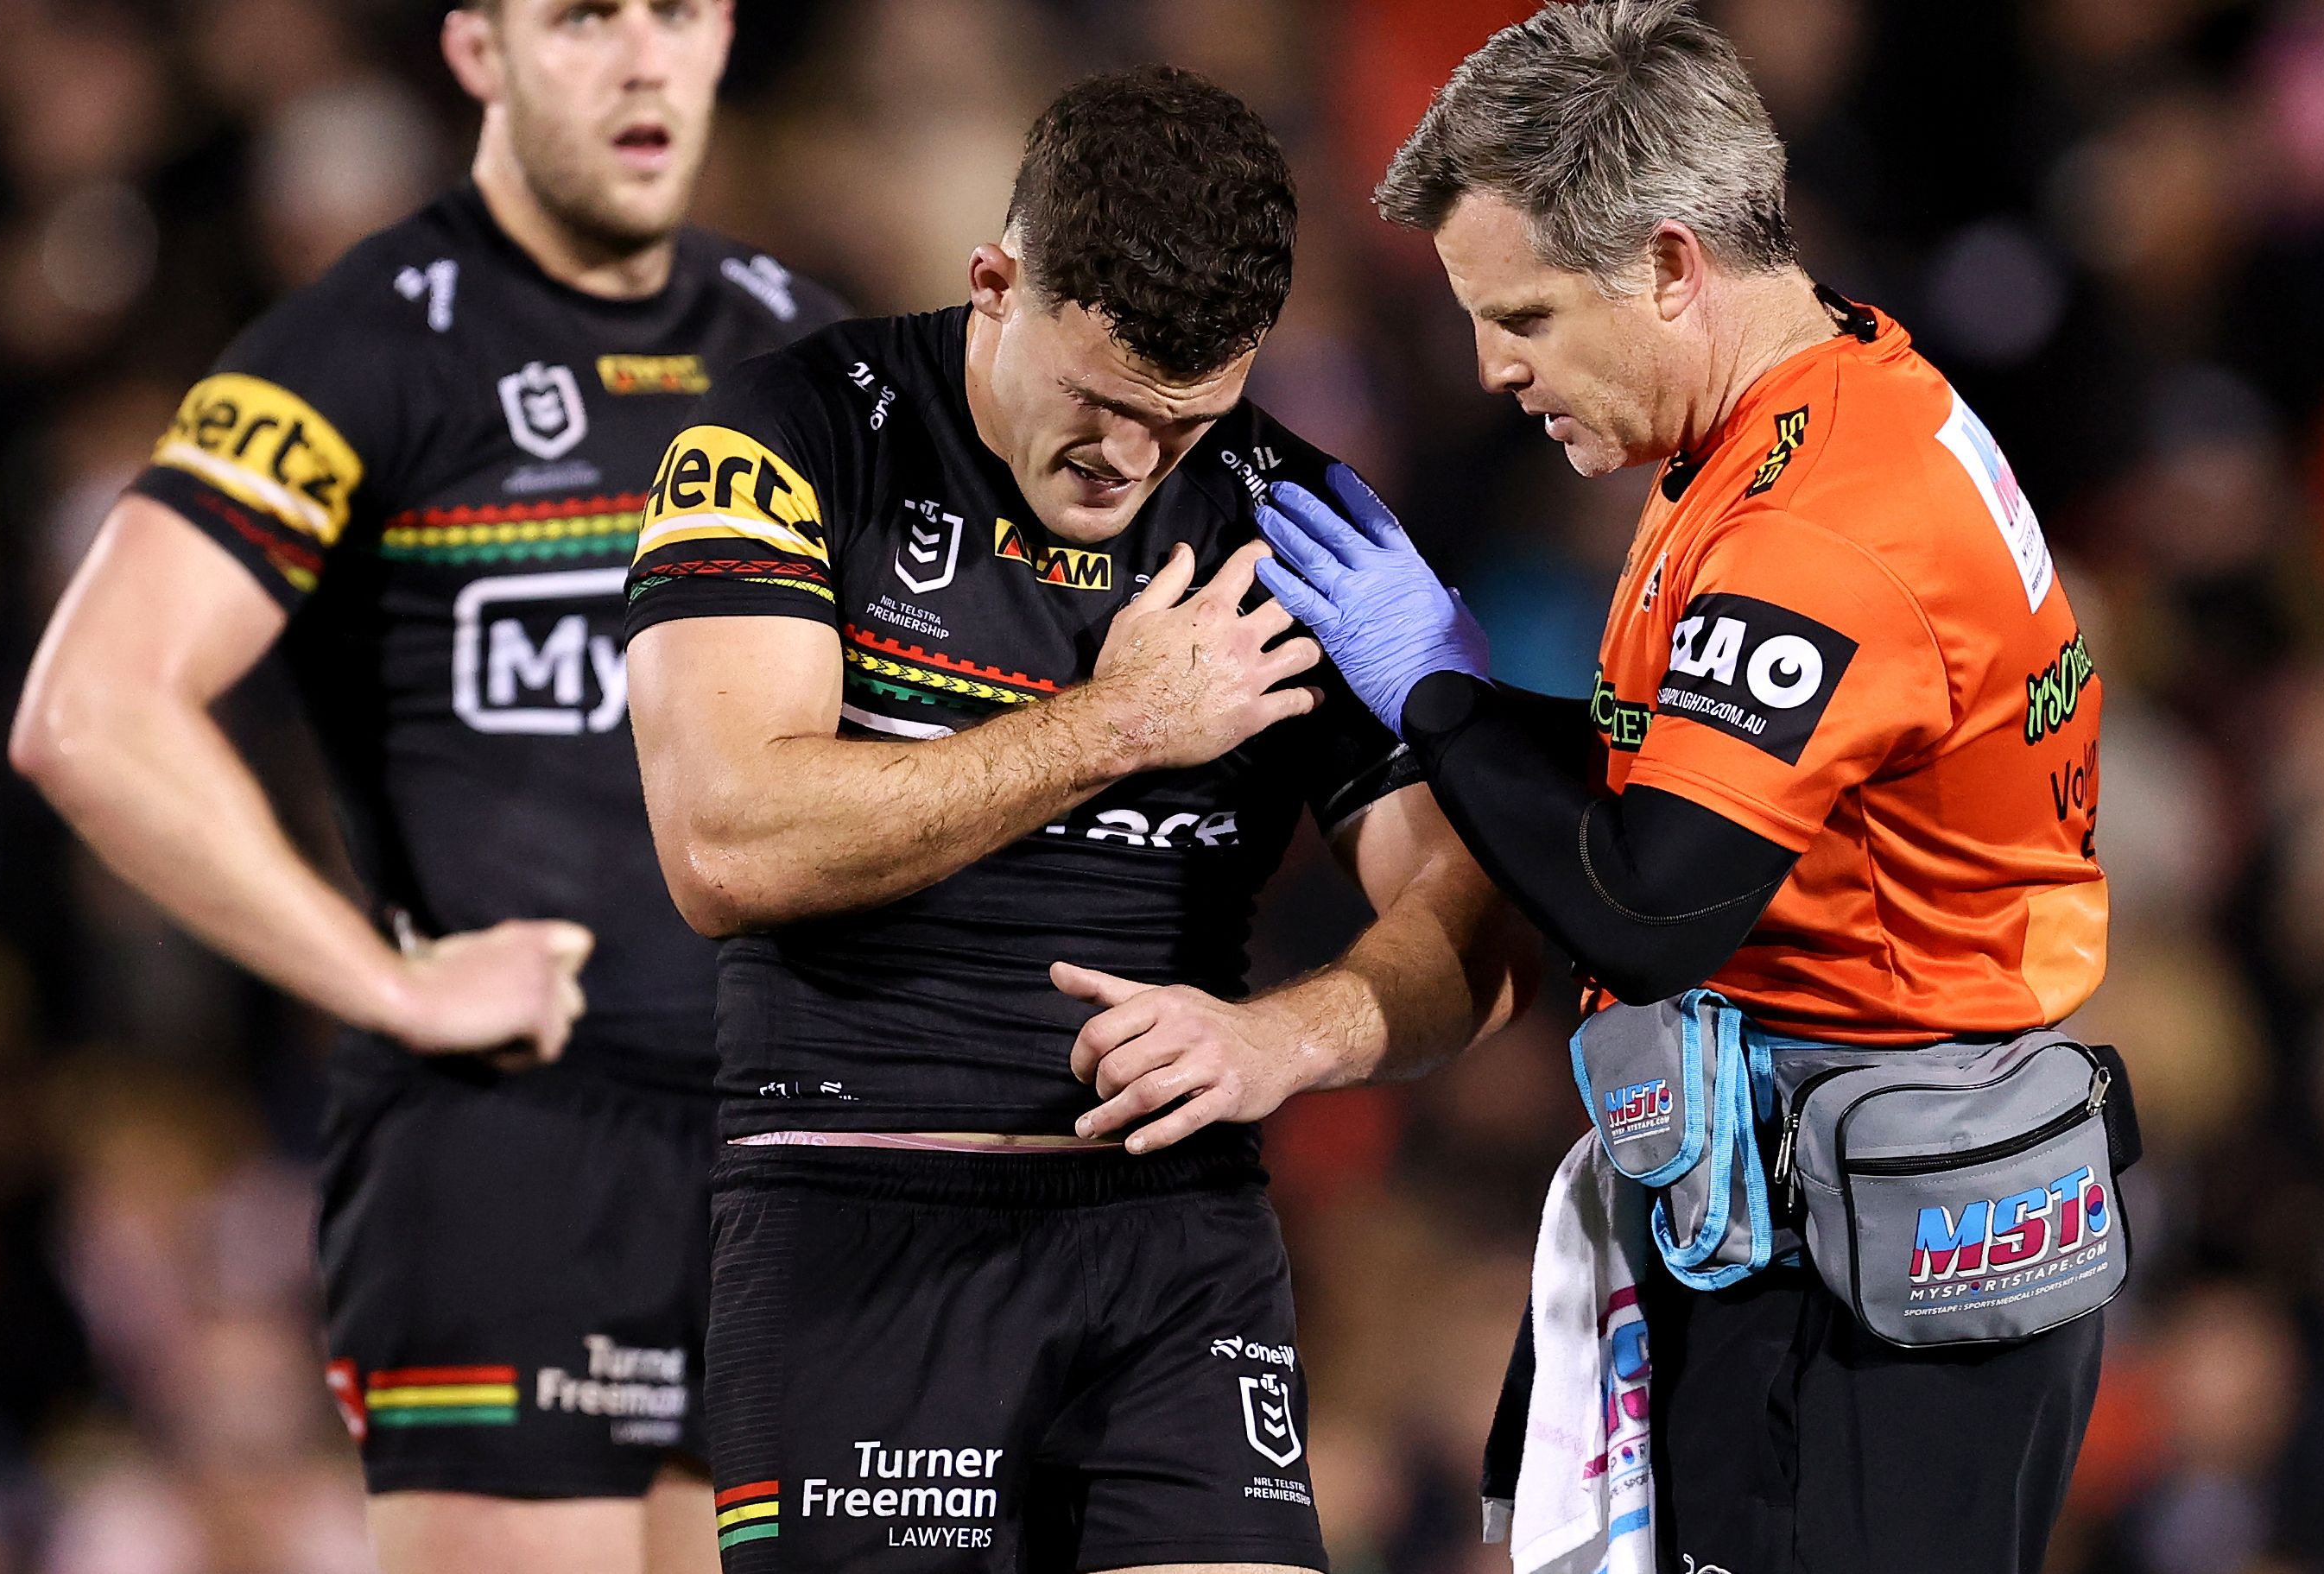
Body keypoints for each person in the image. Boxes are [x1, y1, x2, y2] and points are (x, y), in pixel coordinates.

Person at [623, 66, 1527, 1574]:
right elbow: (726, 844)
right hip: (865, 1215)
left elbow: (1475, 929)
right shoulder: (785, 441)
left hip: (1176, 1238)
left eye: (1185, 420)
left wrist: (1280, 1042)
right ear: (996, 284)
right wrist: (1115, 729)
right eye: (1099, 403)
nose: (1132, 461)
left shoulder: (1285, 519)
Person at [1253, 5, 2111, 1573]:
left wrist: (1438, 693)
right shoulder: (1814, 409)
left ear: (1666, 264)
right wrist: (1442, 693)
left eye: (1522, 313)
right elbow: (1710, 792)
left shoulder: (1819, 530)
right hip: (1861, 1225)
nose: (1492, 369)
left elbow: (1651, 901)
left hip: (1859, 1293)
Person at [8, 3, 840, 1571]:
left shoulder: (806, 342)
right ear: (476, 50)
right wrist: (383, 982)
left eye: (679, 12)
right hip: (510, 1150)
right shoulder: (367, 345)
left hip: (780, 1152)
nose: (643, 58)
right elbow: (91, 708)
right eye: (586, 17)